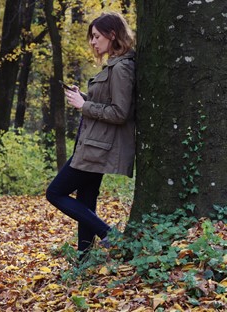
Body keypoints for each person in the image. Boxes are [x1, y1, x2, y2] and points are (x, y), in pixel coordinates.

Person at [46, 12, 136, 257]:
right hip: (93, 143)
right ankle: (84, 259)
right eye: (92, 37)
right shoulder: (114, 64)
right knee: (86, 201)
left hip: (98, 147)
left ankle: (109, 233)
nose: (93, 42)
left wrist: (83, 105)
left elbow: (120, 112)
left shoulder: (122, 68)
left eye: (97, 36)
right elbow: (107, 103)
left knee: (54, 192)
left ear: (112, 34)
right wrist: (84, 98)